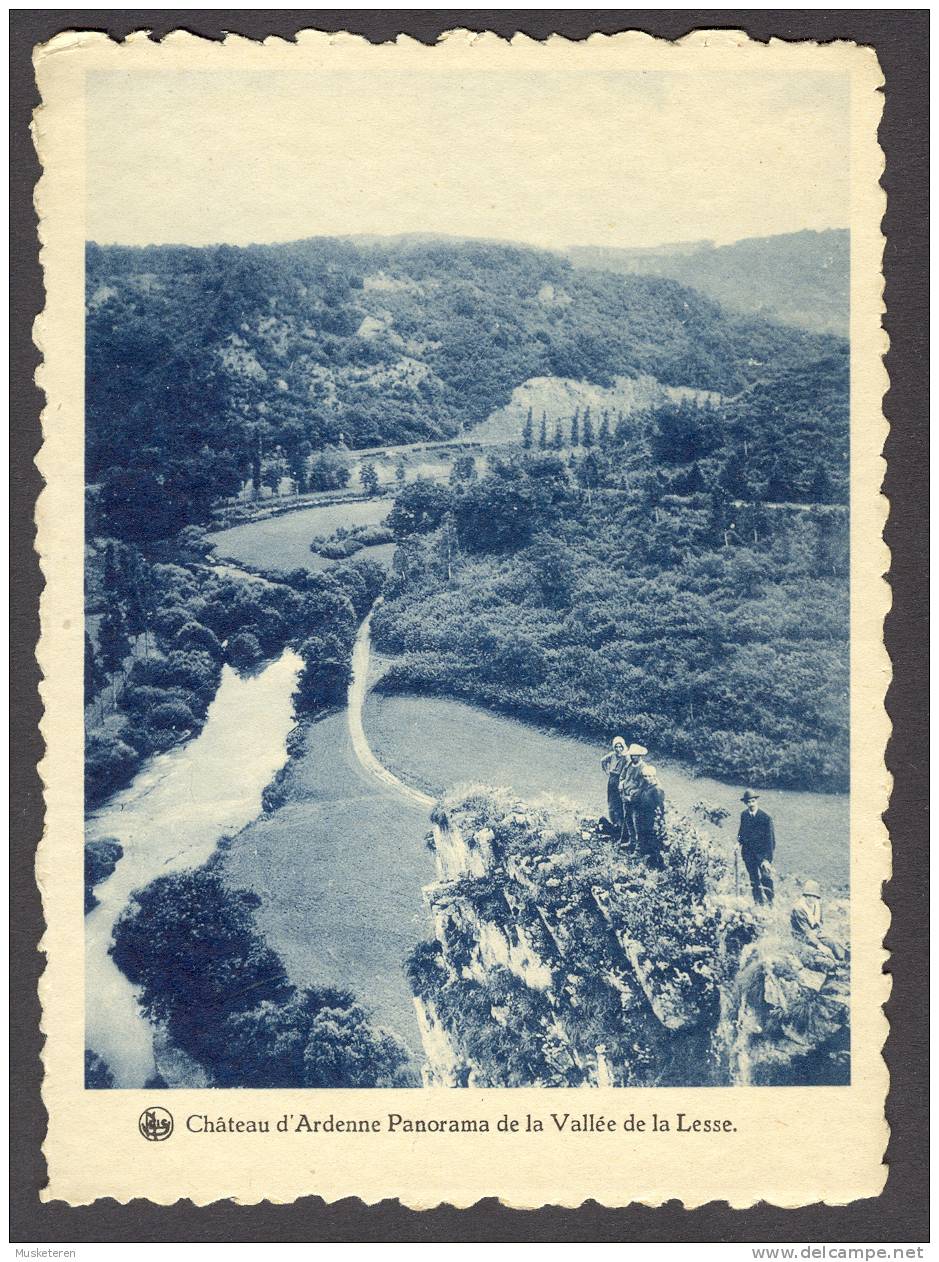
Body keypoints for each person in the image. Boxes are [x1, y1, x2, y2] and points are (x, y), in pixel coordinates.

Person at [790, 879, 846, 965]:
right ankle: (834, 964)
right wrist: (820, 945)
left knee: (833, 943)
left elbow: (820, 922)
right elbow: (806, 932)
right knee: (821, 953)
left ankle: (844, 960)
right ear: (805, 896)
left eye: (814, 896)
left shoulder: (817, 905)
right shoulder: (799, 908)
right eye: (809, 896)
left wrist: (818, 933)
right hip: (801, 935)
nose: (811, 899)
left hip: (815, 933)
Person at [737, 790, 775, 905]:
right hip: (748, 855)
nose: (751, 804)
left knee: (766, 879)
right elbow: (741, 832)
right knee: (754, 880)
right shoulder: (744, 815)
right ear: (746, 803)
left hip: (762, 856)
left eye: (753, 801)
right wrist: (738, 843)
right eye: (748, 802)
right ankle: (758, 903)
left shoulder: (765, 818)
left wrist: (767, 860)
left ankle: (770, 903)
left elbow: (771, 841)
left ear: (756, 801)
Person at [634, 763, 666, 866]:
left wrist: (659, 820)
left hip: (651, 816)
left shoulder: (657, 789)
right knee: (642, 834)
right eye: (645, 776)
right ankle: (642, 855)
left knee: (651, 836)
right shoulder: (645, 786)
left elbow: (660, 806)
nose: (647, 778)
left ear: (654, 776)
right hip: (642, 814)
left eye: (649, 776)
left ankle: (653, 860)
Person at [618, 744, 648, 847]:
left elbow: (642, 787)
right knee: (627, 819)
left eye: (635, 755)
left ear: (640, 756)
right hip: (625, 797)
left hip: (635, 800)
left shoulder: (643, 768)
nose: (632, 757)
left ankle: (638, 847)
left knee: (637, 822)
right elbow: (622, 775)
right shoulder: (629, 764)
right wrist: (621, 783)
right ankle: (631, 841)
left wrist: (631, 796)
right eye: (631, 755)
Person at [599, 737, 627, 835]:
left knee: (619, 803)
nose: (618, 749)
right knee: (611, 802)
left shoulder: (626, 757)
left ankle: (621, 825)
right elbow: (602, 760)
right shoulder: (612, 755)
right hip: (612, 780)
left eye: (620, 747)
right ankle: (614, 823)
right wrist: (606, 770)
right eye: (616, 747)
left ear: (623, 747)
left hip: (621, 781)